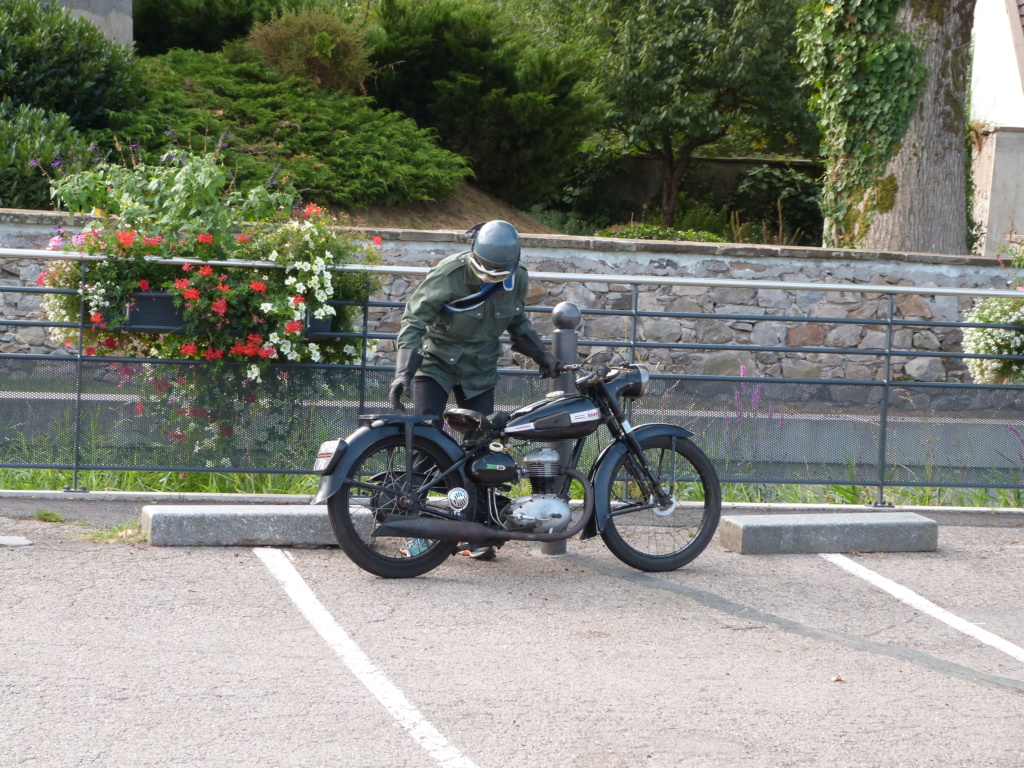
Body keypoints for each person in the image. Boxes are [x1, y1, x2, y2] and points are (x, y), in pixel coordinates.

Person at [388, 220, 563, 560]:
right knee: (425, 442)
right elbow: (414, 319)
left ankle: (476, 533)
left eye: (499, 272)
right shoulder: (450, 274)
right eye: (485, 270)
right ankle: (412, 528)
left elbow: (517, 322)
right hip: (436, 363)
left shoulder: (518, 279)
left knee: (481, 452)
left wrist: (544, 356)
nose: (491, 277)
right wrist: (403, 373)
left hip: (480, 370)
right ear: (473, 255)